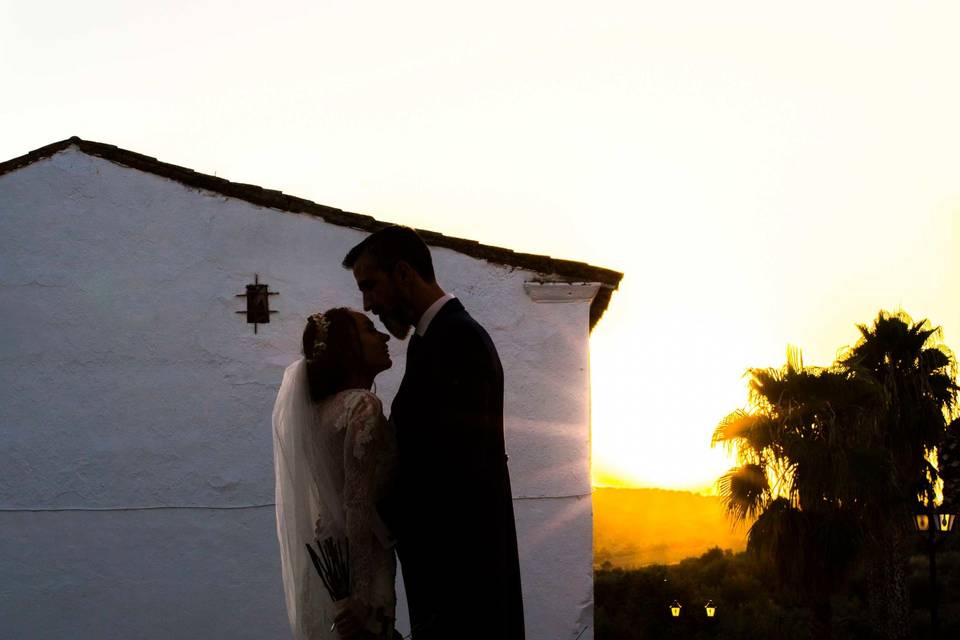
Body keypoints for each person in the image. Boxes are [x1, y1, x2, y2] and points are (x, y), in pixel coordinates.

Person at [343, 226, 525, 640]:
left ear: (404, 273)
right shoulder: (432, 341)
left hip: (467, 598)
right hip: (453, 594)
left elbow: (454, 479)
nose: (367, 304)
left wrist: (364, 519)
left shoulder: (458, 340)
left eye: (370, 286)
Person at [273, 307, 401, 640]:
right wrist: (359, 597)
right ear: (348, 347)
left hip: (329, 560)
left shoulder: (316, 414)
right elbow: (355, 502)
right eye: (371, 330)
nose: (384, 336)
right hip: (361, 565)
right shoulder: (362, 405)